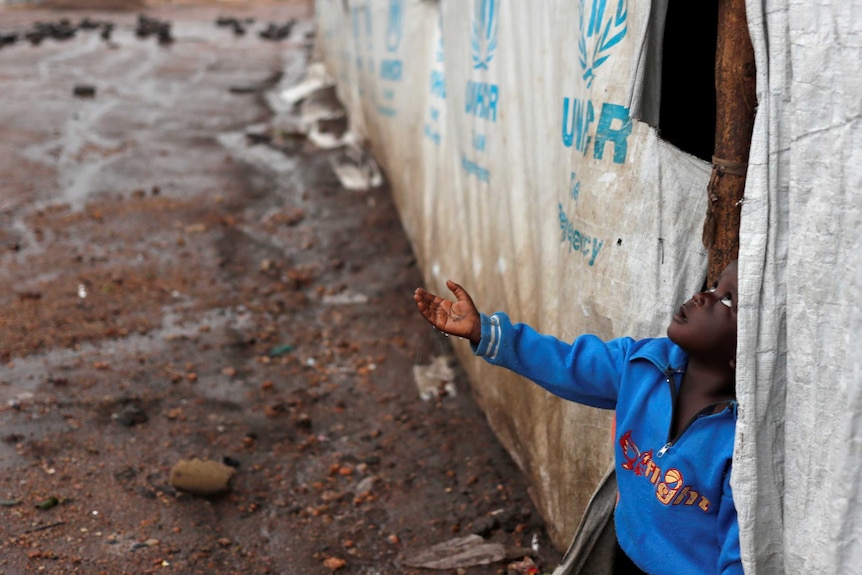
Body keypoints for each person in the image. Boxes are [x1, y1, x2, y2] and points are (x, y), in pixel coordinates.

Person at [413, 261, 742, 575]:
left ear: (748, 350)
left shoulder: (738, 444)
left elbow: (737, 555)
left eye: (727, 300)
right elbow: (568, 364)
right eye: (713, 286)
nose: (702, 296)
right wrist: (483, 332)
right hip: (624, 551)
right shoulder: (645, 364)